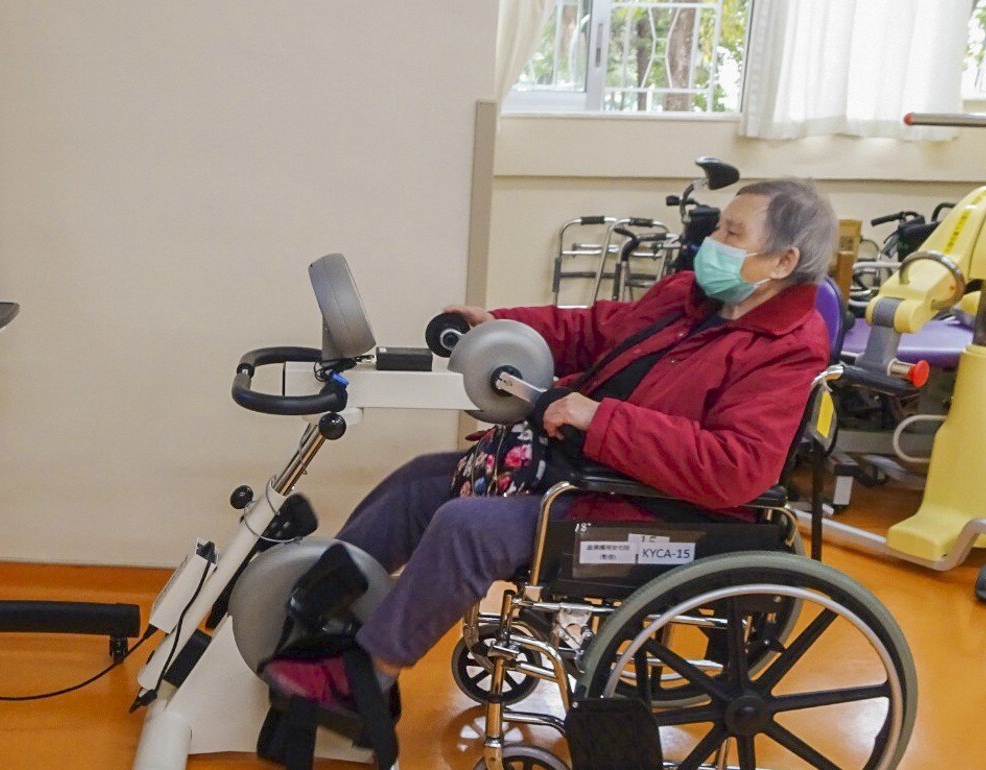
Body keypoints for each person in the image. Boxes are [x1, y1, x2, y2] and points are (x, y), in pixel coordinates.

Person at [264, 178, 838, 706]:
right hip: (579, 473)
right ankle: (318, 612)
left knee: (467, 528)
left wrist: (600, 419)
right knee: (421, 483)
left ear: (783, 261)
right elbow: (592, 331)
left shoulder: (786, 347)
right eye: (718, 228)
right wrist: (499, 327)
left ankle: (364, 677)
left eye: (731, 234)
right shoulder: (691, 298)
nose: (711, 242)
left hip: (648, 508)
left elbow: (735, 468)